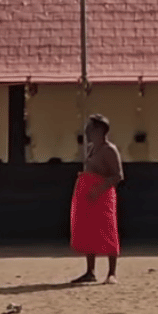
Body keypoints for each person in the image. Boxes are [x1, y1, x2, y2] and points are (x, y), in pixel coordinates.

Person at [70, 113, 123, 284]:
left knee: (108, 230)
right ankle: (90, 271)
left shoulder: (109, 149)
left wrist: (98, 189)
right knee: (88, 230)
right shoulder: (91, 148)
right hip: (87, 195)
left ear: (99, 130)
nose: (87, 131)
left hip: (102, 195)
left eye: (90, 128)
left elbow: (118, 175)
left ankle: (111, 273)